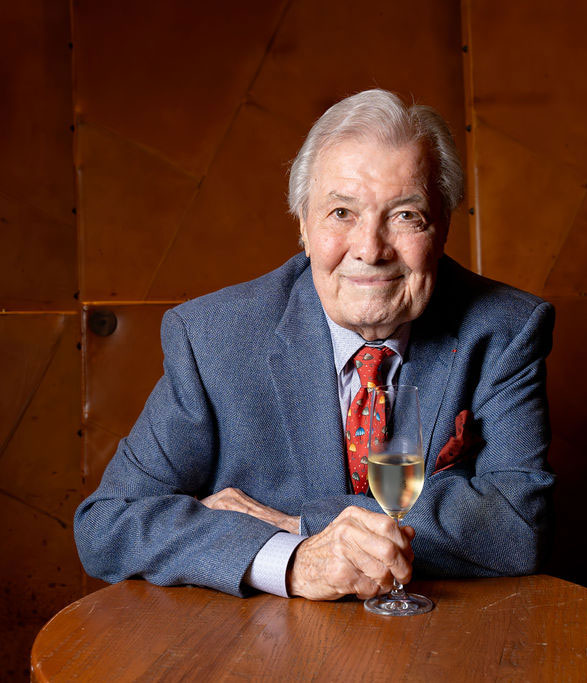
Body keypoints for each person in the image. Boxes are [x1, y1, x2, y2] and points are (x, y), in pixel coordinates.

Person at [74, 89, 555, 601]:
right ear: (303, 224)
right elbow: (109, 523)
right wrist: (291, 561)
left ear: (443, 227)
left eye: (405, 215)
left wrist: (301, 525)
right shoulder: (215, 338)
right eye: (342, 213)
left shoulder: (506, 329)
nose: (371, 249)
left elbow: (519, 527)